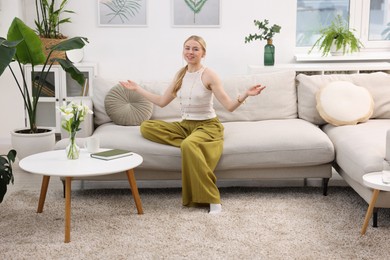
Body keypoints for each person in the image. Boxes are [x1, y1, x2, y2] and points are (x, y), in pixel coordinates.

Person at [120, 35, 266, 214]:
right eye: (187, 48)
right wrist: (137, 89)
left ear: (203, 53)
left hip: (207, 126)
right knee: (146, 127)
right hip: (185, 126)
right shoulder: (180, 74)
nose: (190, 52)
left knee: (188, 144)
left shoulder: (209, 75)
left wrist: (246, 94)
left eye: (195, 49)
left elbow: (229, 106)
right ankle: (195, 145)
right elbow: (162, 101)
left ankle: (213, 199)